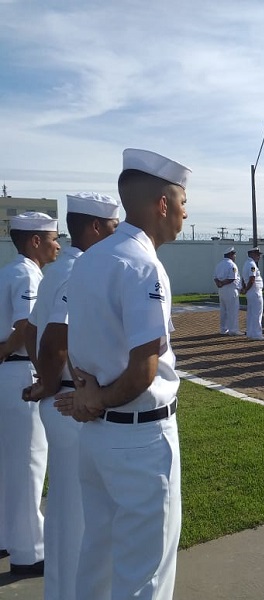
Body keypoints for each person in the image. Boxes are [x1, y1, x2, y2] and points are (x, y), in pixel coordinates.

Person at [53, 147, 190, 600]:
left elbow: (76, 341)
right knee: (144, 574)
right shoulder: (143, 265)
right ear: (163, 204)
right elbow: (144, 369)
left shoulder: (91, 257)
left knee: (98, 559)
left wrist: (90, 395)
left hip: (97, 439)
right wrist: (99, 399)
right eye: (184, 203)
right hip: (139, 440)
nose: (186, 215)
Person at [23, 192, 120, 599]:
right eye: (114, 228)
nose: (118, 235)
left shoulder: (57, 271)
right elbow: (55, 337)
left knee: (67, 508)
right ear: (95, 228)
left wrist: (47, 379)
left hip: (61, 397)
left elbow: (29, 330)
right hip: (70, 403)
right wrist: (51, 381)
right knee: (82, 513)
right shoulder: (79, 271)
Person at [0, 211, 60, 576]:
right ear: (34, 240)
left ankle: (8, 536)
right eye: (54, 237)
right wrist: (43, 372)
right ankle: (29, 551)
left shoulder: (9, 270)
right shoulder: (26, 273)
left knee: (10, 462)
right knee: (28, 462)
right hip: (19, 369)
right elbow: (26, 327)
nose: (58, 244)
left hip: (8, 371)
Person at [213, 247, 241, 335]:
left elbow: (215, 277)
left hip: (221, 290)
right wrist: (223, 283)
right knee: (232, 310)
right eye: (234, 254)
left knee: (223, 310)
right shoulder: (232, 265)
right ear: (230, 255)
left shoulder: (219, 265)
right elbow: (232, 278)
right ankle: (233, 330)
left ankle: (223, 329)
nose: (235, 256)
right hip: (230, 289)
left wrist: (219, 283)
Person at [241, 247, 264, 340]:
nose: (259, 257)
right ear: (252, 254)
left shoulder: (247, 263)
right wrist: (246, 289)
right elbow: (252, 279)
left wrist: (245, 289)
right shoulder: (251, 264)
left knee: (251, 313)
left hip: (251, 291)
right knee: (257, 313)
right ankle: (256, 334)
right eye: (257, 255)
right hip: (254, 291)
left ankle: (250, 332)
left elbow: (244, 278)